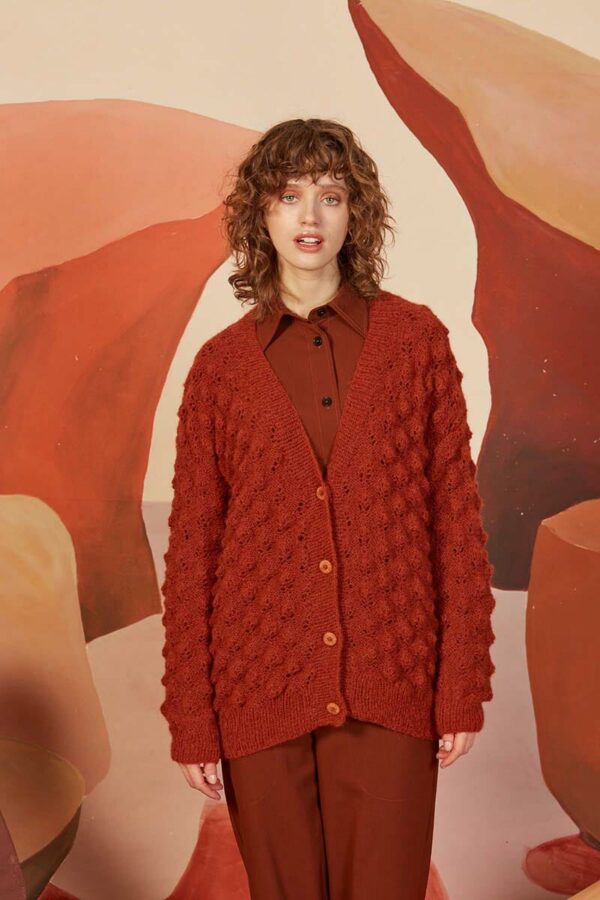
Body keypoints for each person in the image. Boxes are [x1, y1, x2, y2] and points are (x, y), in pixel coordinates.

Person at [159, 118, 496, 900]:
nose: (309, 216)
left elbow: (455, 527)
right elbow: (192, 554)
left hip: (391, 682)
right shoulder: (219, 370)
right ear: (261, 213)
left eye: (331, 196)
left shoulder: (415, 343)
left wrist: (461, 685)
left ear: (356, 214)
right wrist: (192, 716)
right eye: (288, 196)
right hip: (257, 685)